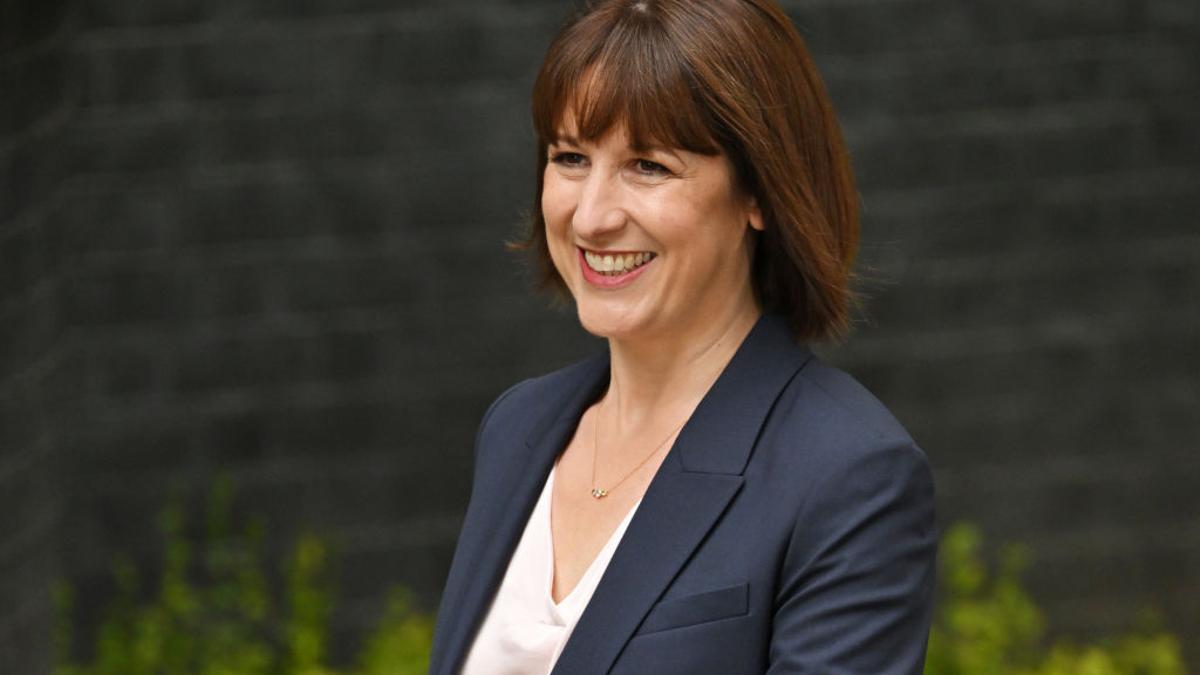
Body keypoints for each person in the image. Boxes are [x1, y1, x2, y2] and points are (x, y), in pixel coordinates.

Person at [429, 1, 937, 673]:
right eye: (571, 157)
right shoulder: (518, 427)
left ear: (760, 191)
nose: (592, 214)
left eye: (649, 166)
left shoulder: (848, 477)